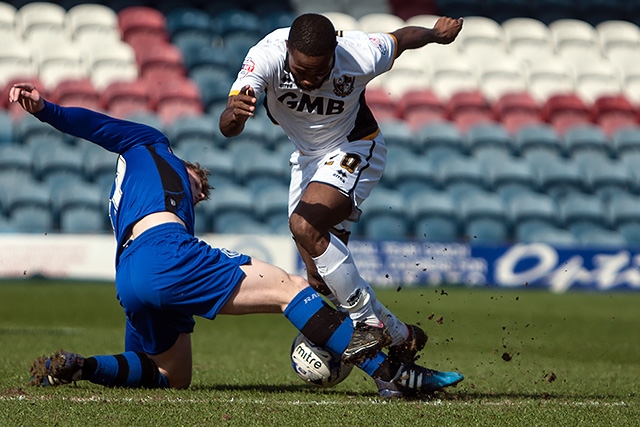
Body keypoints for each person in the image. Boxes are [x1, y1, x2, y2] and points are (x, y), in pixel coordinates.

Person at [11, 83, 463, 398]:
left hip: (129, 274)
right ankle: (391, 376)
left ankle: (82, 366)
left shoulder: (130, 193)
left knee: (171, 375)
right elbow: (96, 125)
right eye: (198, 183)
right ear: (185, 167)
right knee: (289, 288)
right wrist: (46, 109)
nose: (201, 191)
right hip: (164, 253)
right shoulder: (151, 143)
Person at [219, 14, 463, 365]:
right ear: (288, 49)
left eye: (318, 72)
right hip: (307, 160)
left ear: (335, 52)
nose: (308, 79)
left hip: (356, 146)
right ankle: (402, 336)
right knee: (320, 282)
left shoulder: (359, 52)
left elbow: (401, 38)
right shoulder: (266, 55)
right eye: (301, 70)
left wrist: (435, 35)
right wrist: (234, 116)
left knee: (305, 225)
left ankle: (367, 322)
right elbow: (227, 125)